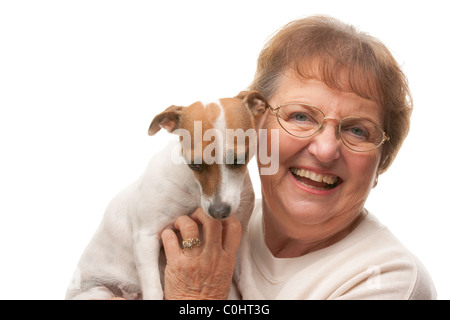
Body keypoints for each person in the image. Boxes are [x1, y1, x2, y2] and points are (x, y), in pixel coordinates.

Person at [161, 15, 437, 299]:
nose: (326, 150)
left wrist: (195, 297)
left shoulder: (388, 279)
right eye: (301, 116)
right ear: (255, 126)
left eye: (357, 130)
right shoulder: (207, 219)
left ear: (382, 160)